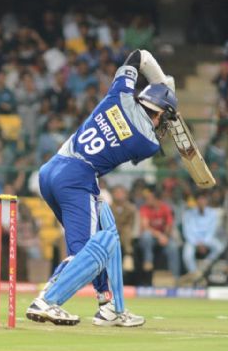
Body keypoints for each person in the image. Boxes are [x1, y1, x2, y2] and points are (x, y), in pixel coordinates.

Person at [25, 49, 178, 328]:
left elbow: (139, 56)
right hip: (77, 178)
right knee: (88, 251)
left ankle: (109, 306)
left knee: (102, 237)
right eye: (163, 119)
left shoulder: (119, 93)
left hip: (52, 169)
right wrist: (168, 91)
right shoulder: (147, 143)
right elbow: (156, 134)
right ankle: (47, 301)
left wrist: (160, 81)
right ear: (158, 114)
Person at [137, 187, 181, 279]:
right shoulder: (144, 208)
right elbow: (145, 227)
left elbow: (169, 225)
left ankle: (175, 277)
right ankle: (148, 261)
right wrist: (159, 235)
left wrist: (165, 236)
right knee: (146, 235)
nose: (147, 200)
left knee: (173, 247)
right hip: (150, 239)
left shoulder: (165, 208)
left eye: (149, 198)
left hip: (164, 237)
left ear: (156, 199)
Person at [182, 191, 224, 275]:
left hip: (208, 239)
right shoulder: (188, 213)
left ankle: (206, 265)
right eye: (199, 199)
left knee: (220, 248)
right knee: (187, 255)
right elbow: (187, 231)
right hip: (193, 241)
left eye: (203, 199)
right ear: (196, 201)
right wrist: (197, 243)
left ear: (206, 200)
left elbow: (212, 230)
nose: (201, 201)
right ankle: (194, 274)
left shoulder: (213, 213)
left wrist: (204, 242)